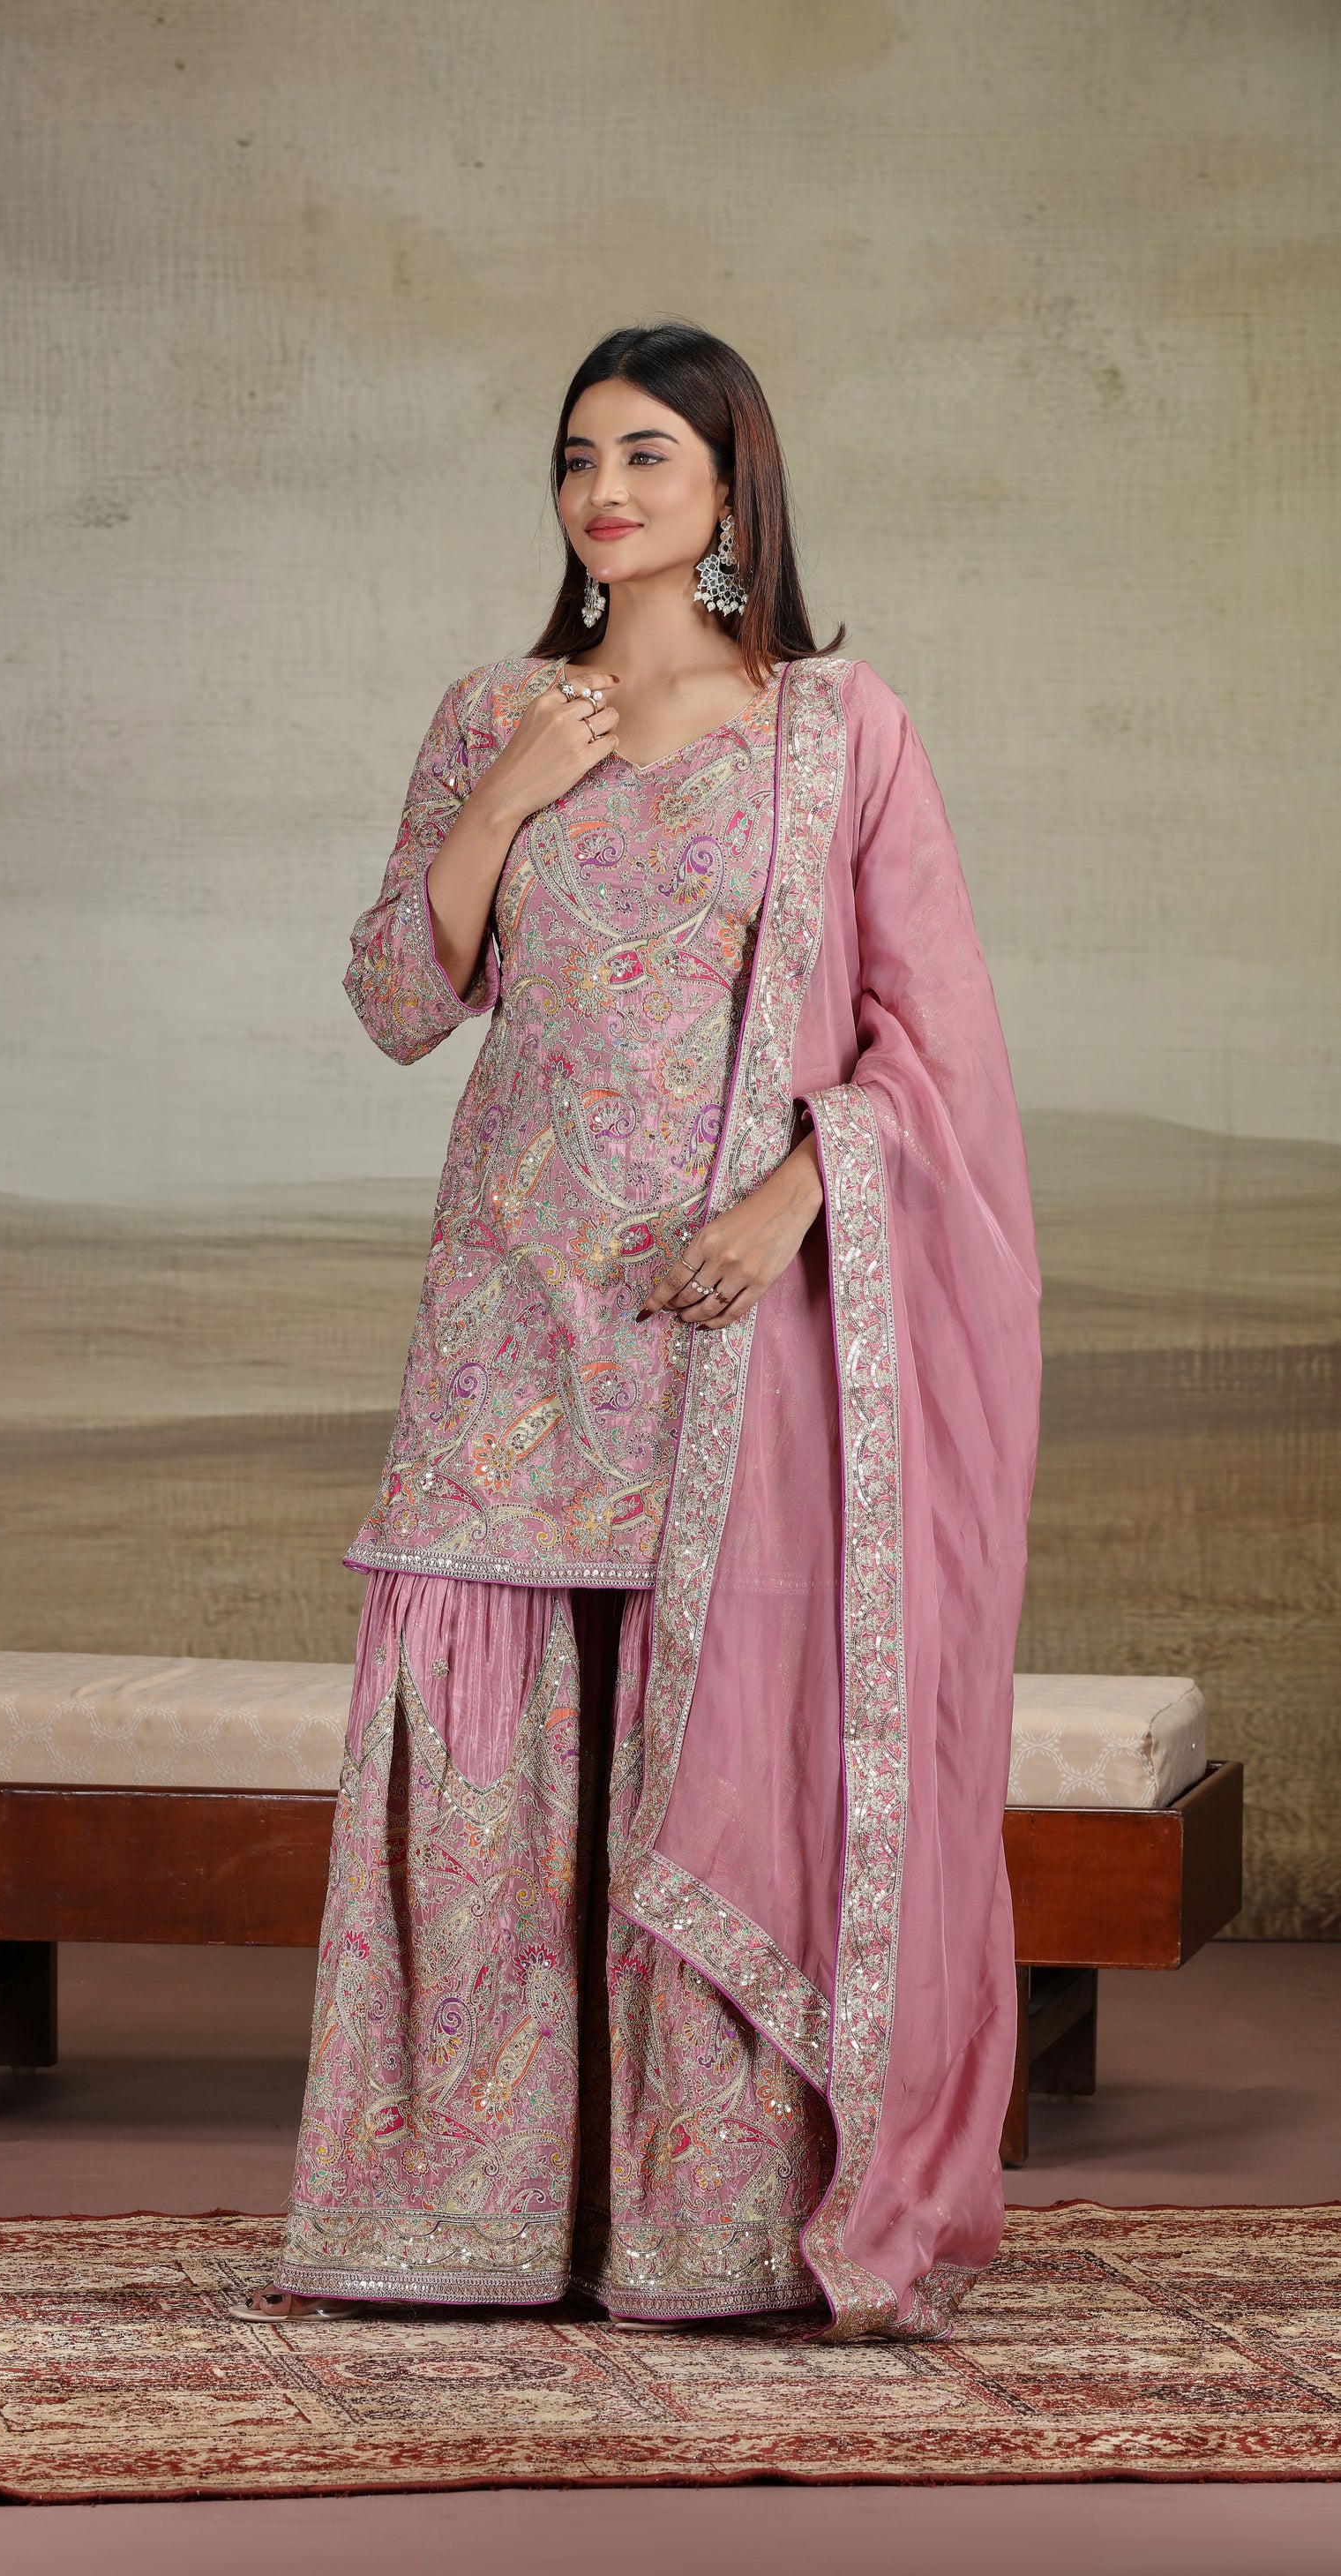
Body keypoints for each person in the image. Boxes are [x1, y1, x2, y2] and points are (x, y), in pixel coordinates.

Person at [233, 322, 1041, 2339]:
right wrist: (504, 797)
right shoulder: (496, 707)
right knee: (497, 1740)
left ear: (731, 485)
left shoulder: (834, 735)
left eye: (649, 454)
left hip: (722, 1327)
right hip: (510, 1315)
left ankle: (700, 2230)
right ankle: (465, 2223)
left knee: (705, 1731)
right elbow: (397, 1001)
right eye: (579, 454)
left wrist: (785, 1206)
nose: (606, 489)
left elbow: (929, 1046)